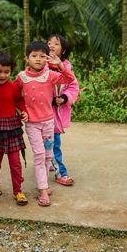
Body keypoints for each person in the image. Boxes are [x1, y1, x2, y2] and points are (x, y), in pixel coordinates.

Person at [15, 41, 75, 207]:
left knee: (48, 155)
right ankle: (42, 189)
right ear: (27, 58)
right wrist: (21, 111)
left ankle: (44, 184)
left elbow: (70, 79)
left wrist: (61, 65)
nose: (38, 59)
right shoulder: (21, 77)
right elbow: (15, 96)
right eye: (34, 56)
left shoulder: (50, 75)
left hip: (49, 123)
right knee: (40, 155)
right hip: (32, 124)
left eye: (42, 56)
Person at [0, 51, 29, 206]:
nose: (2, 75)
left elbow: (20, 101)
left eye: (7, 72)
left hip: (12, 128)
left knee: (15, 161)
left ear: (11, 71)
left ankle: (18, 190)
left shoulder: (14, 87)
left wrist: (24, 112)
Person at [48, 34, 80, 186]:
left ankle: (61, 172)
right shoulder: (40, 64)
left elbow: (73, 86)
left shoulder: (67, 67)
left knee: (54, 144)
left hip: (56, 115)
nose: (51, 45)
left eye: (56, 43)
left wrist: (65, 98)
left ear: (63, 50)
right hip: (41, 114)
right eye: (49, 43)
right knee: (45, 145)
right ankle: (50, 164)